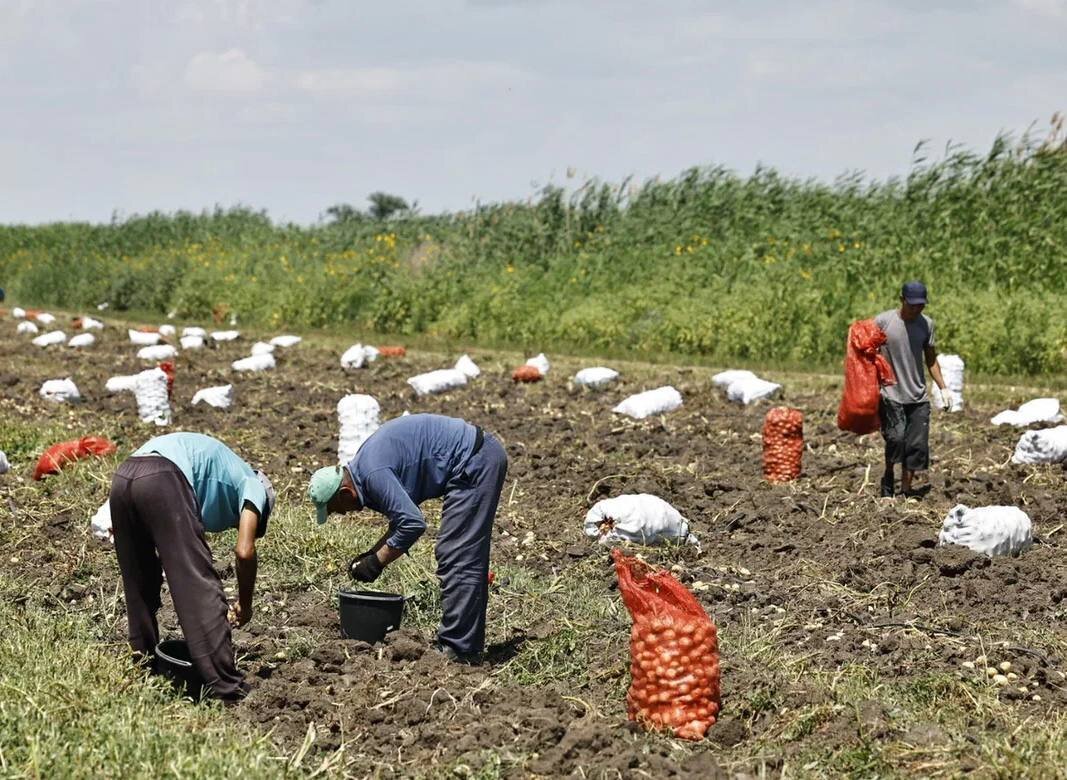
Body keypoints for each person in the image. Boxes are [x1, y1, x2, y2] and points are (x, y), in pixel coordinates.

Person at [308, 413, 507, 663]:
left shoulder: (372, 474)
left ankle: (460, 651)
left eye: (336, 508)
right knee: (458, 553)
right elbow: (402, 521)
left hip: (475, 461)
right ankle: (463, 645)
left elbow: (413, 523)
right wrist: (371, 554)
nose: (340, 514)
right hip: (473, 457)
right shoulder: (365, 469)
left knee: (458, 555)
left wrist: (376, 561)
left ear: (346, 493)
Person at [109, 432, 275, 700]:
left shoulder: (221, 474)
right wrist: (245, 604)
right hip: (163, 478)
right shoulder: (253, 483)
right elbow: (244, 552)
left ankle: (143, 669)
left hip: (124, 476)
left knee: (140, 582)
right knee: (197, 584)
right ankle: (225, 685)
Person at [874, 281, 950, 498]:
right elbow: (866, 350)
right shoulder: (883, 321)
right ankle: (889, 474)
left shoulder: (926, 325)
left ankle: (906, 490)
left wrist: (943, 388)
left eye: (921, 306)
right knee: (896, 439)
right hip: (891, 394)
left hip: (917, 395)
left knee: (916, 445)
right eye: (912, 305)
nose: (917, 309)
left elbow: (931, 358)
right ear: (902, 300)